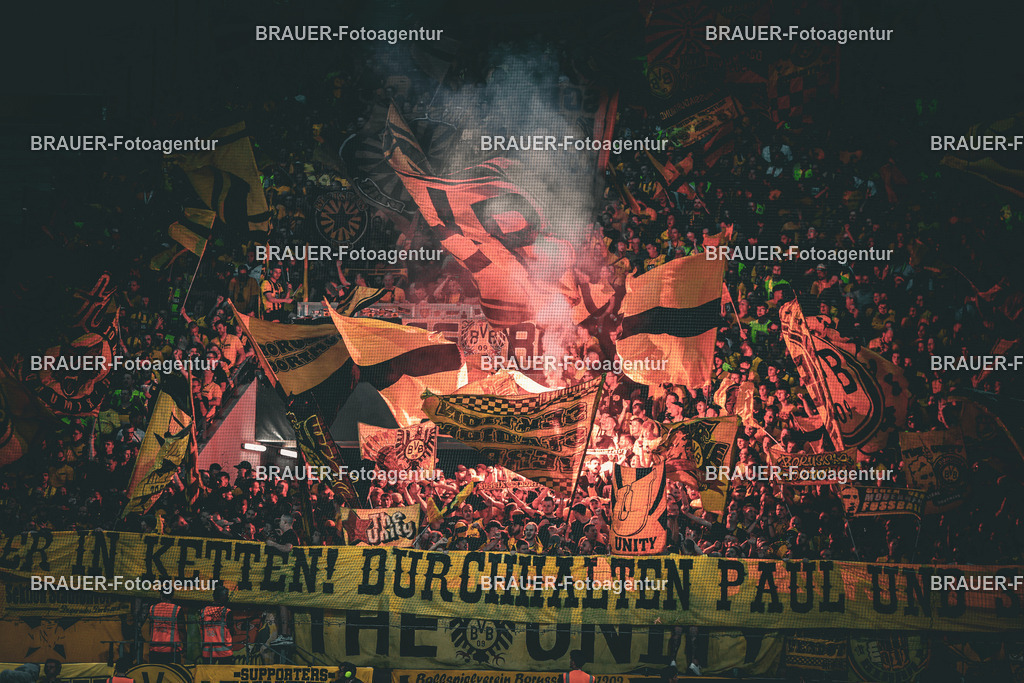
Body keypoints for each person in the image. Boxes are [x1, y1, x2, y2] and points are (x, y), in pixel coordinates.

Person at [146, 588, 184, 663]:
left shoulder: (152, 608)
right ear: (172, 596)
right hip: (172, 650)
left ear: (161, 595)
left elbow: (150, 629)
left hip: (155, 650)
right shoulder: (177, 609)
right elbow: (181, 629)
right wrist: (185, 647)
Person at [200, 584, 235, 662]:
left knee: (208, 674)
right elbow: (232, 630)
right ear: (220, 597)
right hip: (224, 652)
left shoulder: (204, 611)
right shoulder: (227, 612)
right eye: (226, 595)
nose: (227, 597)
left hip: (208, 652)